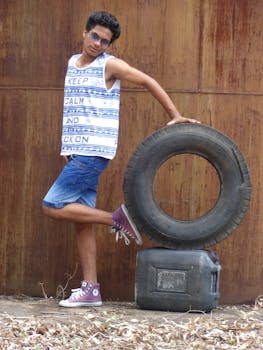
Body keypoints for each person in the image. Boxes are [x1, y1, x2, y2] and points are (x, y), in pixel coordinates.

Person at [42, 11, 200, 308]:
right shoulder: (71, 64)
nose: (98, 44)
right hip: (77, 151)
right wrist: (67, 145)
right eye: (95, 36)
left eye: (105, 41)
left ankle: (117, 219)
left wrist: (175, 115)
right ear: (85, 32)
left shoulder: (110, 66)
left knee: (52, 206)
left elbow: (147, 81)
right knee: (81, 222)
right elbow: (75, 107)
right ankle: (91, 290)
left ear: (109, 45)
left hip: (93, 152)